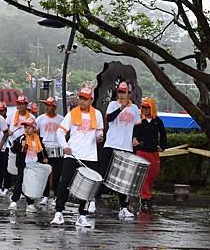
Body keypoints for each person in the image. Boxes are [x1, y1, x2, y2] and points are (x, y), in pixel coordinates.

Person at [51, 87, 104, 227]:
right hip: (72, 155)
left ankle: (82, 216)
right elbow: (60, 132)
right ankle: (59, 213)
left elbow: (99, 132)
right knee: (64, 184)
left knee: (89, 188)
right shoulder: (72, 114)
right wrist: (65, 146)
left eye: (85, 98)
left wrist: (99, 137)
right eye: (80, 98)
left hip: (90, 156)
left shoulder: (97, 114)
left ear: (91, 100)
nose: (82, 101)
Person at [99, 81, 141, 218]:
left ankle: (123, 207)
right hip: (111, 144)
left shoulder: (134, 108)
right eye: (120, 92)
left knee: (123, 179)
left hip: (125, 146)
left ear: (129, 93)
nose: (122, 94)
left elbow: (137, 126)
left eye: (124, 92)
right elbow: (109, 119)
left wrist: (135, 138)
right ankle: (92, 200)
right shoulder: (113, 104)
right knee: (102, 172)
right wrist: (121, 108)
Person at [134, 98, 167, 210]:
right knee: (144, 175)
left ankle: (146, 193)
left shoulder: (158, 121)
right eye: (144, 107)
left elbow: (163, 134)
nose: (146, 110)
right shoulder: (139, 120)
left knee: (153, 172)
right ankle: (145, 197)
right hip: (142, 151)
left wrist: (162, 146)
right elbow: (134, 133)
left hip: (153, 151)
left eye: (148, 107)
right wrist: (134, 139)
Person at [8, 118, 47, 212]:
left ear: (34, 128)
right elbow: (13, 150)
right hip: (23, 165)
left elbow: (42, 151)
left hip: (34, 165)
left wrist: (45, 158)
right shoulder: (22, 138)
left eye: (29, 127)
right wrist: (21, 146)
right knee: (20, 181)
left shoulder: (38, 140)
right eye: (25, 127)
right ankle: (14, 201)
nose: (26, 129)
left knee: (30, 184)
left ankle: (30, 204)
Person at [36, 97, 65, 206]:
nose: (47, 107)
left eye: (49, 105)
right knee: (45, 173)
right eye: (46, 105)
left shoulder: (61, 119)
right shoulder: (40, 119)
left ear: (54, 107)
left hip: (57, 148)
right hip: (45, 148)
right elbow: (36, 132)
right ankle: (45, 196)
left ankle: (56, 196)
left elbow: (66, 132)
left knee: (57, 173)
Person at [0, 101, 12, 196]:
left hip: (6, 148)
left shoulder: (8, 120)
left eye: (1, 110)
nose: (0, 113)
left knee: (5, 170)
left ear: (5, 110)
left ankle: (5, 187)